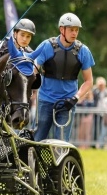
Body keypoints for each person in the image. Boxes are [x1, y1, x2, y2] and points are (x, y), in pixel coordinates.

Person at [33, 13, 95, 142]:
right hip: (45, 100)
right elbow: (34, 69)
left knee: (61, 143)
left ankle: (58, 162)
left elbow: (89, 81)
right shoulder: (47, 46)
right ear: (62, 29)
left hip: (67, 103)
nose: (74, 33)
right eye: (71, 29)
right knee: (37, 140)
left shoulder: (83, 51)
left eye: (76, 30)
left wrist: (75, 98)